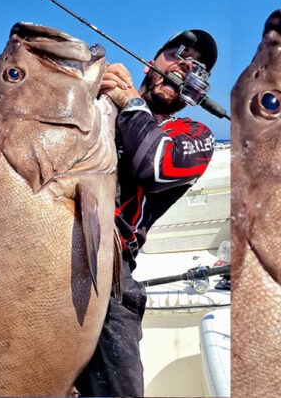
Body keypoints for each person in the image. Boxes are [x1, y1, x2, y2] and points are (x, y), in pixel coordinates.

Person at [73, 30, 218, 397]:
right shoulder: (96, 105)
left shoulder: (194, 134)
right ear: (150, 64)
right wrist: (85, 89)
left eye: (197, 68)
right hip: (43, 244)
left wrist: (130, 102)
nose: (185, 67)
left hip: (110, 270)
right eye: (178, 55)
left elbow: (153, 165)